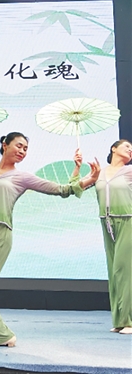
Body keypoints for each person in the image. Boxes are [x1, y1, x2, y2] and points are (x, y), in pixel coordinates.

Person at [0, 132, 98, 347]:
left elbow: (62, 190)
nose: (22, 151)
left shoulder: (22, 177)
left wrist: (89, 179)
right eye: (19, 146)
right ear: (5, 145)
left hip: (0, 235)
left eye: (25, 148)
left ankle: (2, 334)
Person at [81, 139, 132, 335]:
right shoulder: (99, 173)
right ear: (114, 148)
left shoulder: (129, 171)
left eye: (131, 149)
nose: (130, 150)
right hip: (107, 223)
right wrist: (77, 167)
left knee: (124, 270)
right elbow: (76, 187)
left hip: (128, 220)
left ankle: (129, 321)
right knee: (113, 271)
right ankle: (119, 320)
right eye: (127, 146)